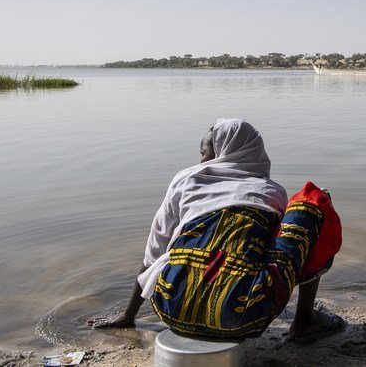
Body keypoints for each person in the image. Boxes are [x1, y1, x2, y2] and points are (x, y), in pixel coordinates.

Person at [88, 119, 345, 342]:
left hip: (170, 308)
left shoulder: (185, 180)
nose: (200, 160)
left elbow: (153, 252)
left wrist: (128, 316)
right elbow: (277, 251)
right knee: (312, 202)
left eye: (203, 153)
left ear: (222, 153)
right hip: (247, 315)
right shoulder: (271, 191)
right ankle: (304, 321)